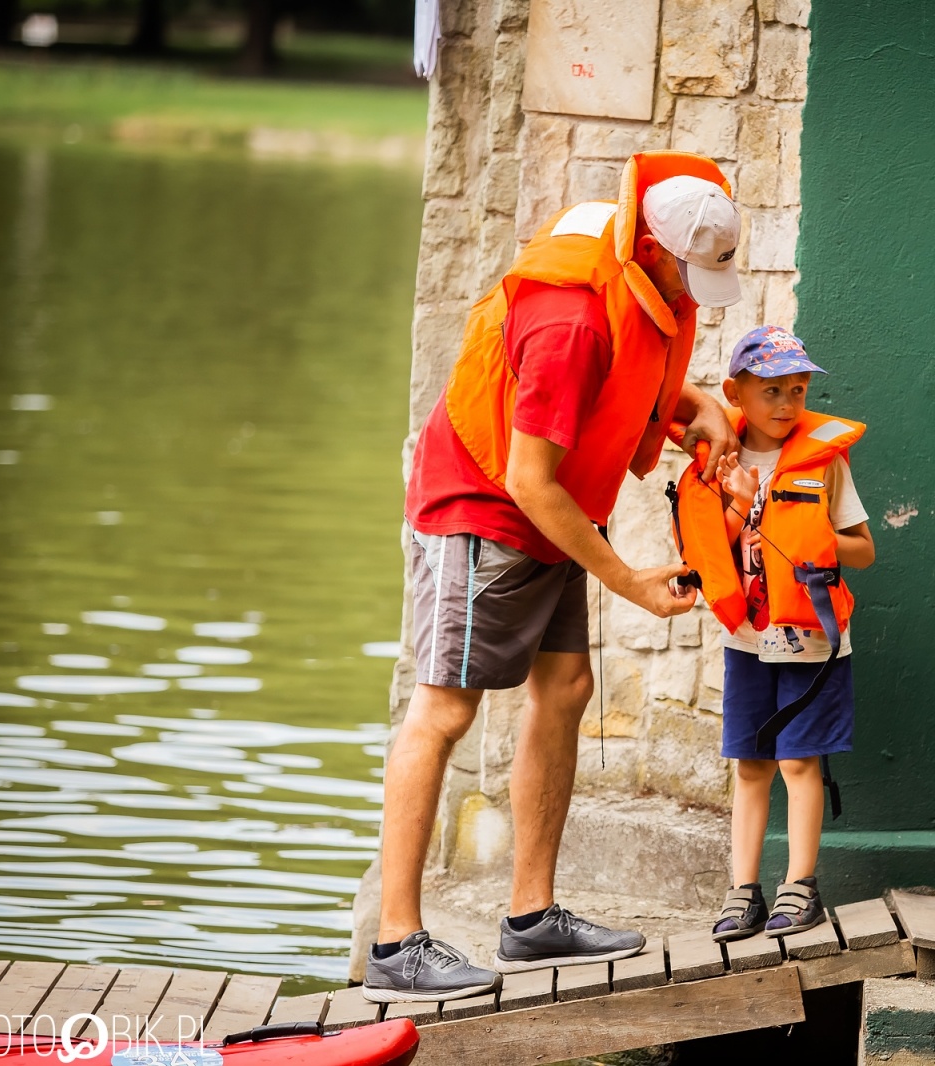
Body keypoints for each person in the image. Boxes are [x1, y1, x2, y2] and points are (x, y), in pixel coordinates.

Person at [361, 152, 743, 1003]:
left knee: (566, 687)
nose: (693, 296)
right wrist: (630, 581)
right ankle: (394, 943)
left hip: (553, 505)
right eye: (688, 276)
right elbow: (531, 478)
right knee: (444, 709)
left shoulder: (630, 253)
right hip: (484, 510)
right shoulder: (568, 323)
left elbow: (627, 373)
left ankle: (531, 921)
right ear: (652, 245)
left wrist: (698, 407)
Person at [702, 326, 875, 942]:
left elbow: (864, 551)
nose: (786, 403)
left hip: (811, 640)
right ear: (736, 394)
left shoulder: (824, 464)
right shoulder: (718, 463)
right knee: (751, 764)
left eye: (797, 390)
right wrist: (740, 502)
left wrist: (818, 536)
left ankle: (800, 886)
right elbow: (708, 549)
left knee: (799, 761)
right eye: (771, 390)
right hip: (747, 640)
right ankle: (742, 890)